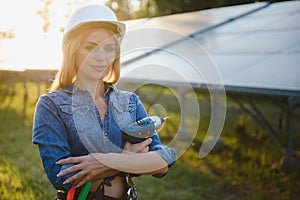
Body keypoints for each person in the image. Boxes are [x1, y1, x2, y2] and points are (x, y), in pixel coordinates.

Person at [32, 4, 176, 200]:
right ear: (72, 49)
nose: (101, 57)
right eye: (90, 47)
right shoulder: (51, 105)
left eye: (109, 48)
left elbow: (162, 161)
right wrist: (127, 159)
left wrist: (106, 162)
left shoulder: (130, 102)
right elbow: (61, 177)